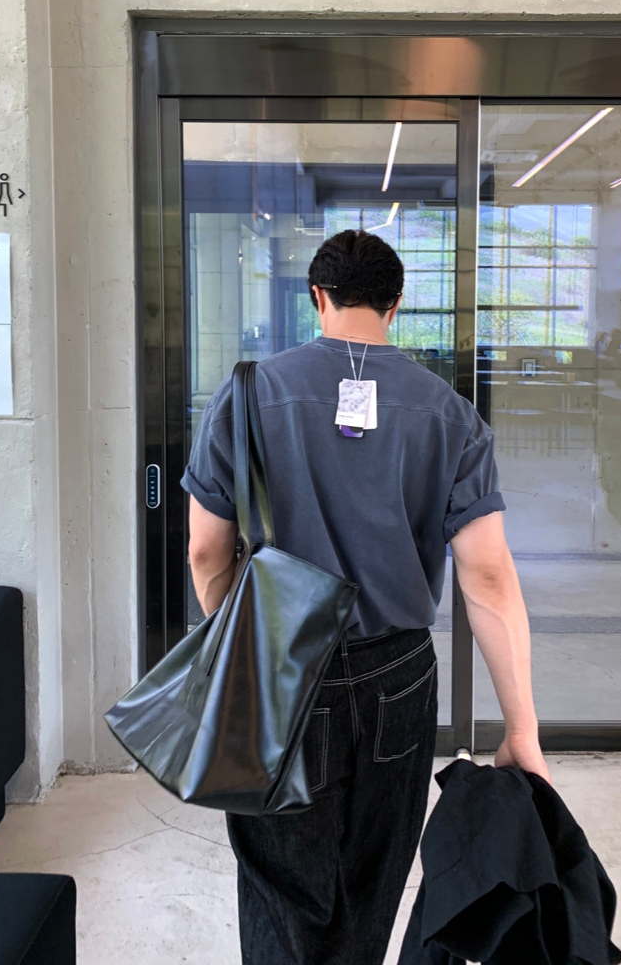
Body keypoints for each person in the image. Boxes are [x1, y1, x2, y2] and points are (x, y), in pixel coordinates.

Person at [182, 229, 549, 965]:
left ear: (317, 297)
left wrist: (238, 644)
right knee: (372, 883)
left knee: (280, 888)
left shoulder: (246, 395)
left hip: (278, 665)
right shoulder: (450, 414)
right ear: (396, 304)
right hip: (398, 677)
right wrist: (522, 729)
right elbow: (487, 576)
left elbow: (204, 551)